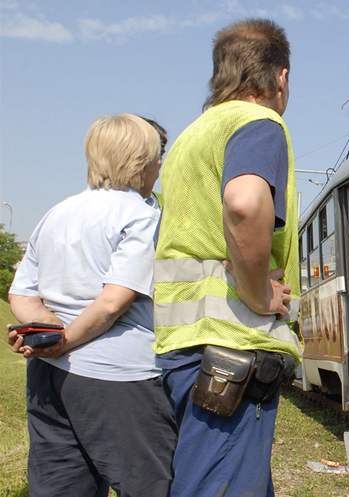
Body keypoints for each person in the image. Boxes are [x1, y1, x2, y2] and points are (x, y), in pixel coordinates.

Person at [153, 18, 301, 497]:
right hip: (232, 347)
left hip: (184, 346)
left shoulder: (191, 138)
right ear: (280, 78)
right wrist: (257, 294)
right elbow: (244, 202)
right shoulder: (258, 123)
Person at [6, 113, 176, 497]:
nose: (159, 167)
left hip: (48, 375)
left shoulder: (56, 213)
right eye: (155, 158)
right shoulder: (141, 216)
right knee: (151, 484)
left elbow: (21, 294)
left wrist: (48, 335)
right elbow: (113, 301)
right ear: (140, 162)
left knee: (61, 485)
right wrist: (65, 338)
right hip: (118, 377)